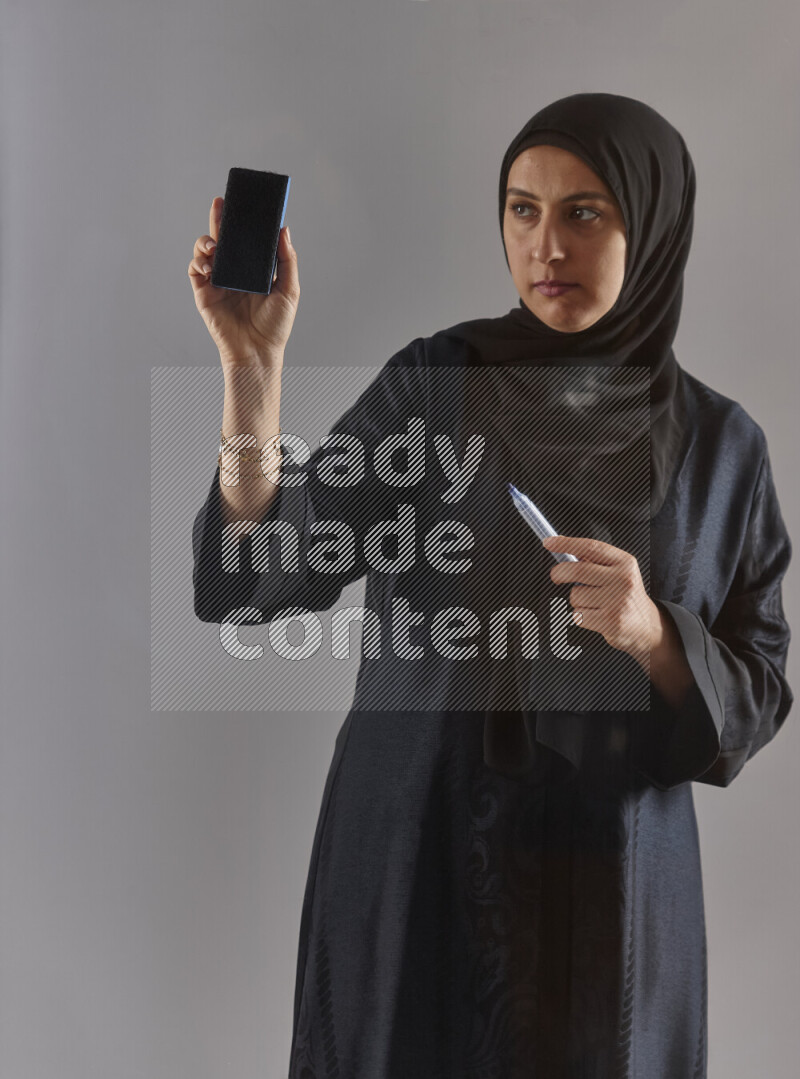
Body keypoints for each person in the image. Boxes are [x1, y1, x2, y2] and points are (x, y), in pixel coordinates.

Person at [188, 93, 793, 1078]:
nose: (543, 245)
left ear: (651, 221)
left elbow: (756, 685)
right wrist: (251, 378)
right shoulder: (434, 384)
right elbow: (261, 573)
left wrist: (650, 632)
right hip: (416, 862)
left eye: (581, 211)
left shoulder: (721, 450)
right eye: (521, 209)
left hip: (609, 894)